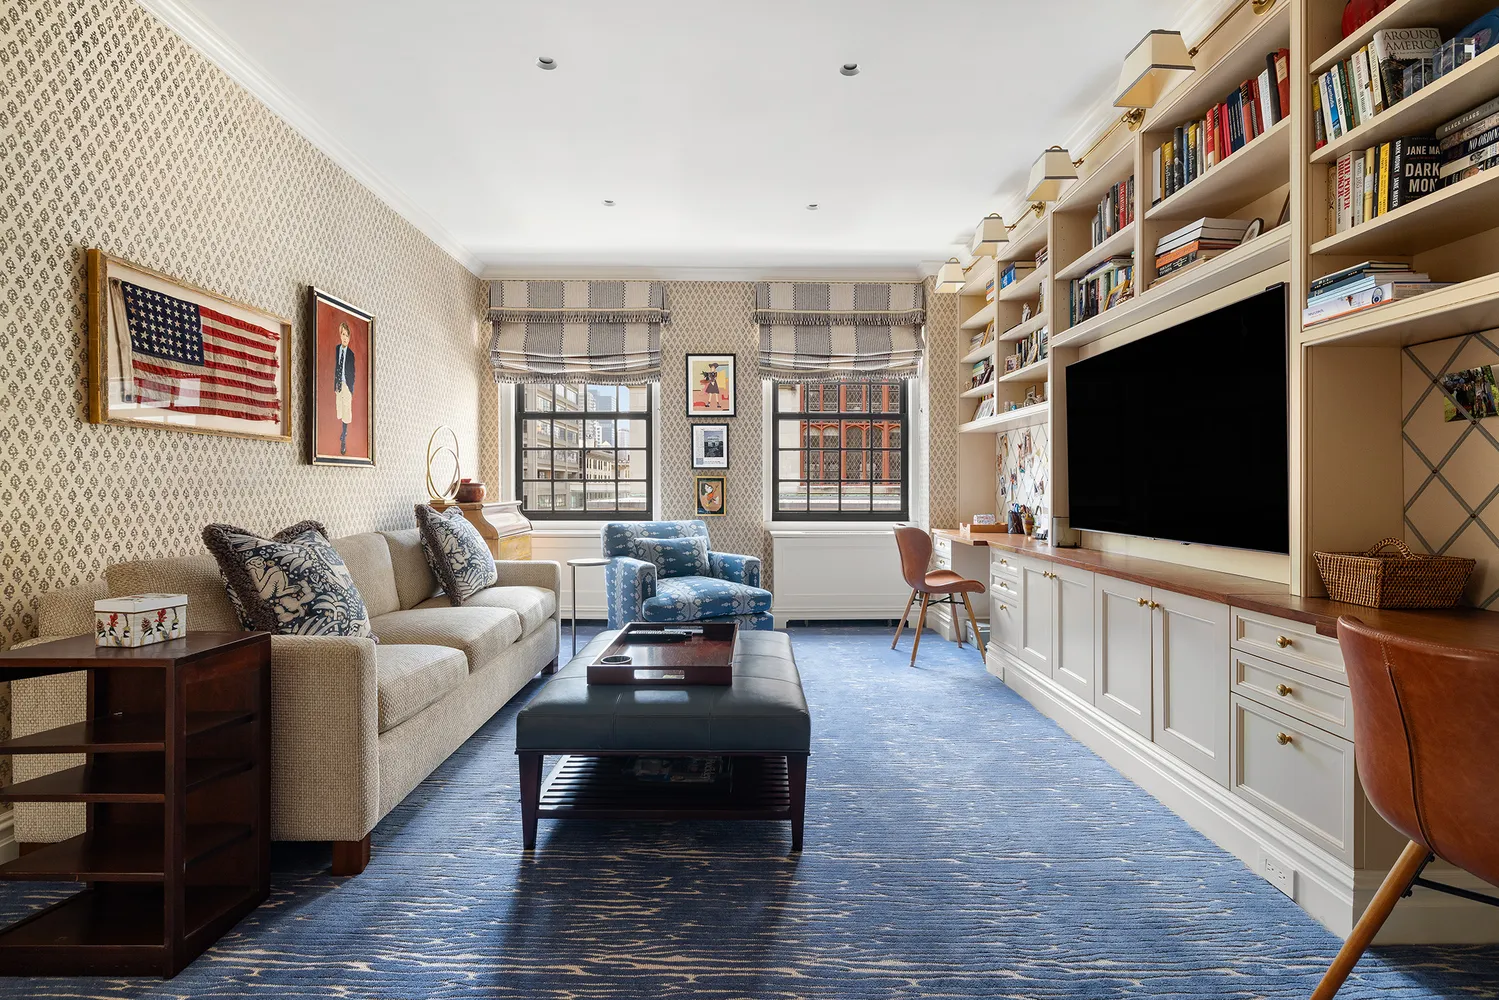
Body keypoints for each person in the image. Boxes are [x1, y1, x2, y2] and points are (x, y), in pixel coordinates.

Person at [333, 320, 356, 454]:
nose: (345, 338)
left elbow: (352, 372)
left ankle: (344, 437)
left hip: (347, 385)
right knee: (340, 409)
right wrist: (335, 383)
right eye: (343, 335)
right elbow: (337, 366)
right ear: (340, 335)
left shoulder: (351, 354)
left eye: (347, 335)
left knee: (346, 411)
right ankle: (343, 431)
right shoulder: (337, 349)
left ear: (349, 337)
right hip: (339, 384)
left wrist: (350, 387)